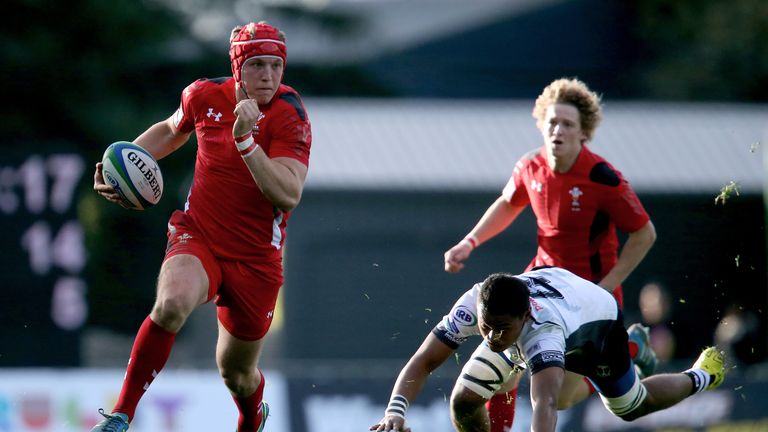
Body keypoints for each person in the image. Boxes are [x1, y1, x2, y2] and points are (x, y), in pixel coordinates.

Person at [90, 21, 311, 432]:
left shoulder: (289, 114)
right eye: (257, 65)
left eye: (276, 66)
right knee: (171, 304)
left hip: (256, 260)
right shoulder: (203, 94)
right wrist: (125, 162)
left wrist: (245, 142)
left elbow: (288, 194)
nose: (267, 76)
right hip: (199, 235)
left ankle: (251, 418)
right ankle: (121, 414)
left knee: (236, 374)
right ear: (237, 67)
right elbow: (172, 131)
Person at [442, 78, 658, 430]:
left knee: (563, 396)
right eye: (552, 122)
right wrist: (469, 242)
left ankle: (631, 348)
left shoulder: (604, 178)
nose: (557, 129)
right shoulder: (530, 165)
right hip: (539, 284)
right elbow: (508, 204)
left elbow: (644, 233)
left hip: (589, 295)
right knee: (504, 366)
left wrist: (607, 286)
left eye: (567, 124)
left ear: (583, 132)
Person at [373, 267, 726, 432]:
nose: (492, 336)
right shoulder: (476, 303)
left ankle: (699, 374)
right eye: (487, 326)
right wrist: (394, 412)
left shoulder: (545, 332)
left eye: (502, 328)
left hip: (596, 326)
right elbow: (423, 361)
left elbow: (545, 404)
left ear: (524, 316)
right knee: (463, 402)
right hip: (555, 292)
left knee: (631, 406)